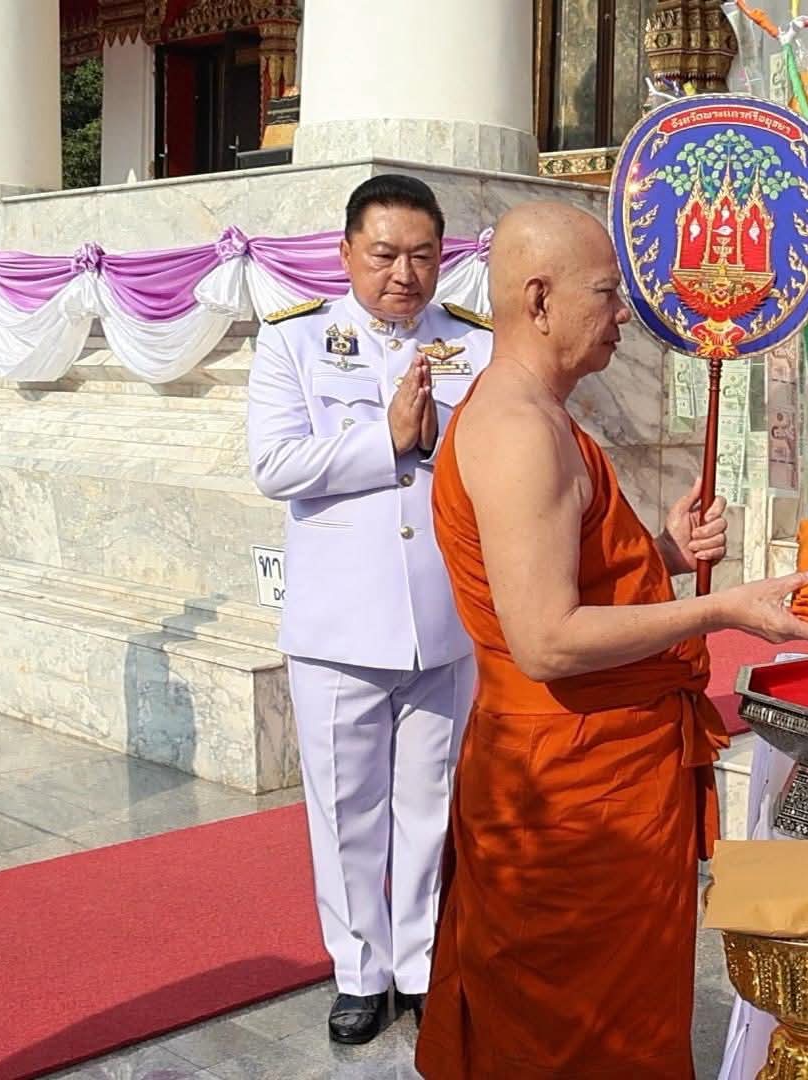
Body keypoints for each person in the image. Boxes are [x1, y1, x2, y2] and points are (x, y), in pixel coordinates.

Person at [416, 201, 808, 1077]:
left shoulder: (537, 413)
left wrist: (664, 556)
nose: (624, 316)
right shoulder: (519, 431)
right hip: (569, 784)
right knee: (571, 1038)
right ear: (539, 300)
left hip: (603, 766)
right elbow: (547, 640)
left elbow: (566, 578)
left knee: (619, 1017)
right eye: (606, 294)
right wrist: (722, 610)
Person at [246, 174, 491, 1044]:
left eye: (422, 256)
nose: (403, 274)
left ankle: (421, 965)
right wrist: (384, 438)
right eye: (384, 254)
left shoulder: (474, 345)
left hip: (442, 621)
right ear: (346, 251)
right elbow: (275, 463)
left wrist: (433, 435)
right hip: (340, 625)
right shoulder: (295, 341)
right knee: (347, 812)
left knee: (430, 803)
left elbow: (496, 459)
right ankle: (359, 973)